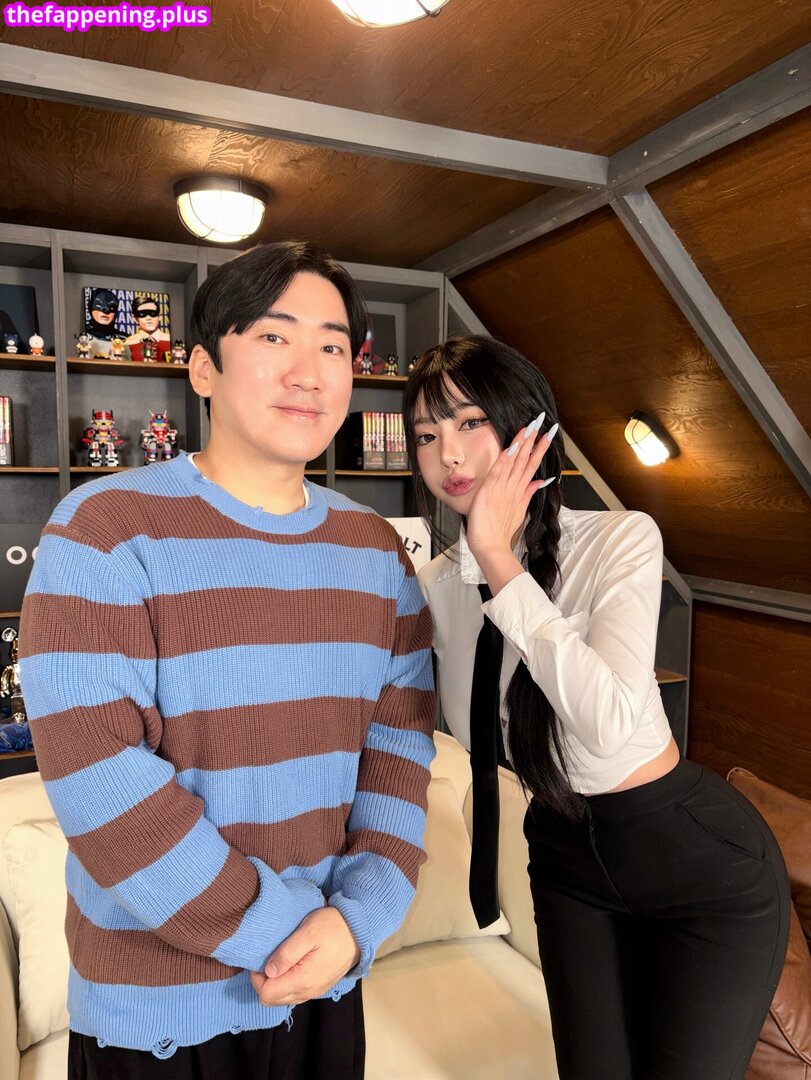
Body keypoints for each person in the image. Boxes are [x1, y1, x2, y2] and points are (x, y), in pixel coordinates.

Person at [18, 241, 436, 1080]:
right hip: (157, 1017)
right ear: (203, 368)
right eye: (274, 337)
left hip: (324, 984)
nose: (308, 372)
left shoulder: (375, 549)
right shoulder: (104, 529)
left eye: (331, 346)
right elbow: (102, 779)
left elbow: (398, 751)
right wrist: (285, 932)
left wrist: (358, 919)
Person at [404, 335, 789, 1080]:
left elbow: (607, 721)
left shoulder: (620, 539)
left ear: (528, 431)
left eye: (470, 422)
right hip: (564, 857)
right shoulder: (438, 586)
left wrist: (499, 561)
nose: (447, 453)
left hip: (694, 865)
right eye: (425, 435)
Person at [125, 293, 171, 362]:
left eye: (153, 313)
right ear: (135, 319)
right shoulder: (128, 343)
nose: (148, 318)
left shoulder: (170, 340)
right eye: (142, 314)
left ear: (159, 317)